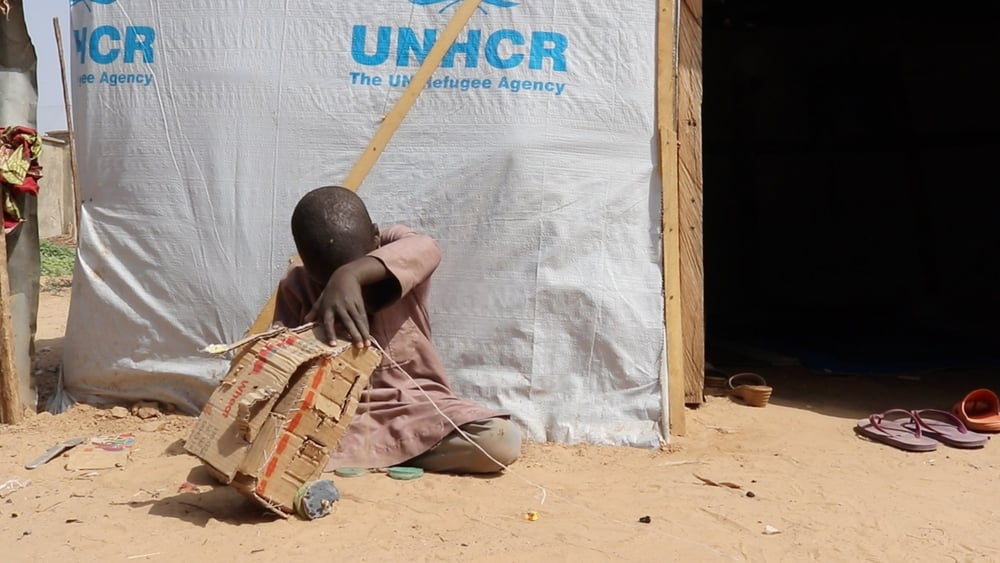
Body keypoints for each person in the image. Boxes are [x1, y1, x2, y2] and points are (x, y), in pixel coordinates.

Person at [273, 185, 522, 474]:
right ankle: (392, 454)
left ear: (375, 237)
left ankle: (378, 455)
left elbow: (426, 248)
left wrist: (350, 275)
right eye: (326, 280)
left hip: (414, 407)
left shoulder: (397, 245)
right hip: (339, 418)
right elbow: (280, 360)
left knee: (500, 440)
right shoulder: (296, 284)